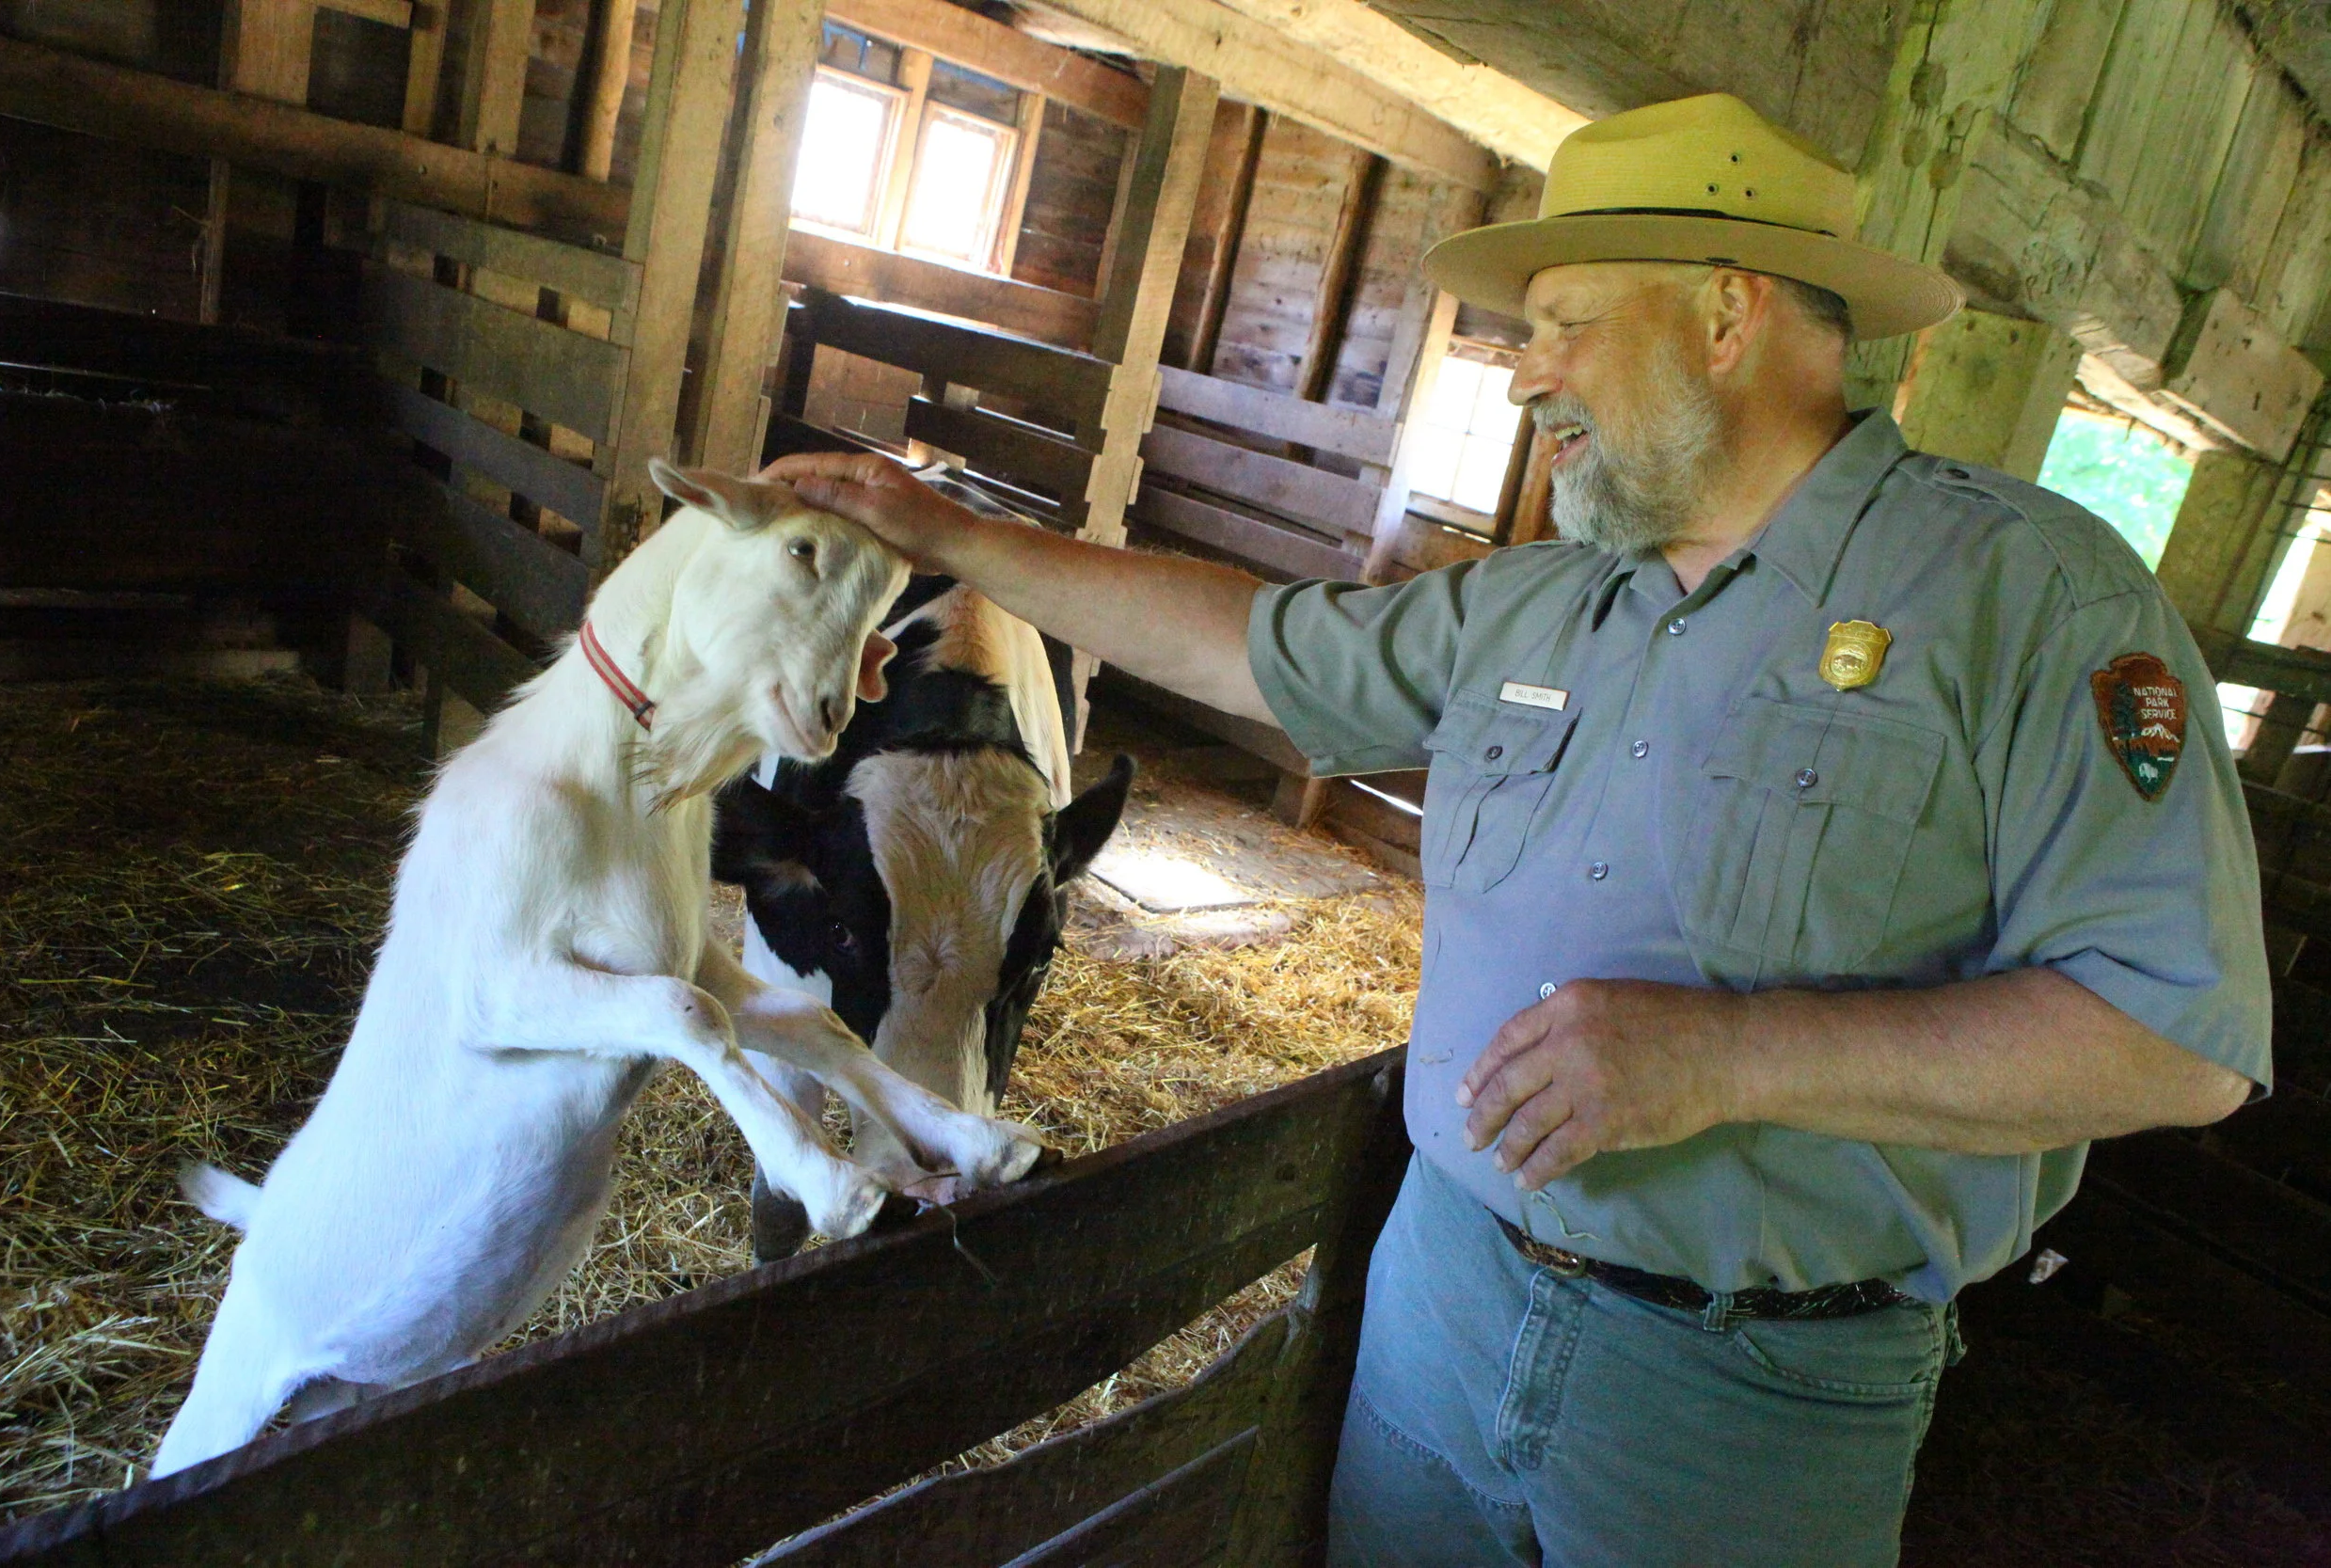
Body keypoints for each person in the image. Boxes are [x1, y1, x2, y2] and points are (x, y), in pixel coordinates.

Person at [760, 92, 2268, 1568]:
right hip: (1443, 1299)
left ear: (1728, 315)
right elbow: (1254, 649)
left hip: (1746, 1403)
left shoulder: (2033, 600)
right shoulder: (1547, 594)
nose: (1521, 375)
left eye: (1562, 325)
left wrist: (1730, 1057)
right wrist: (952, 537)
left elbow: (2174, 1037)